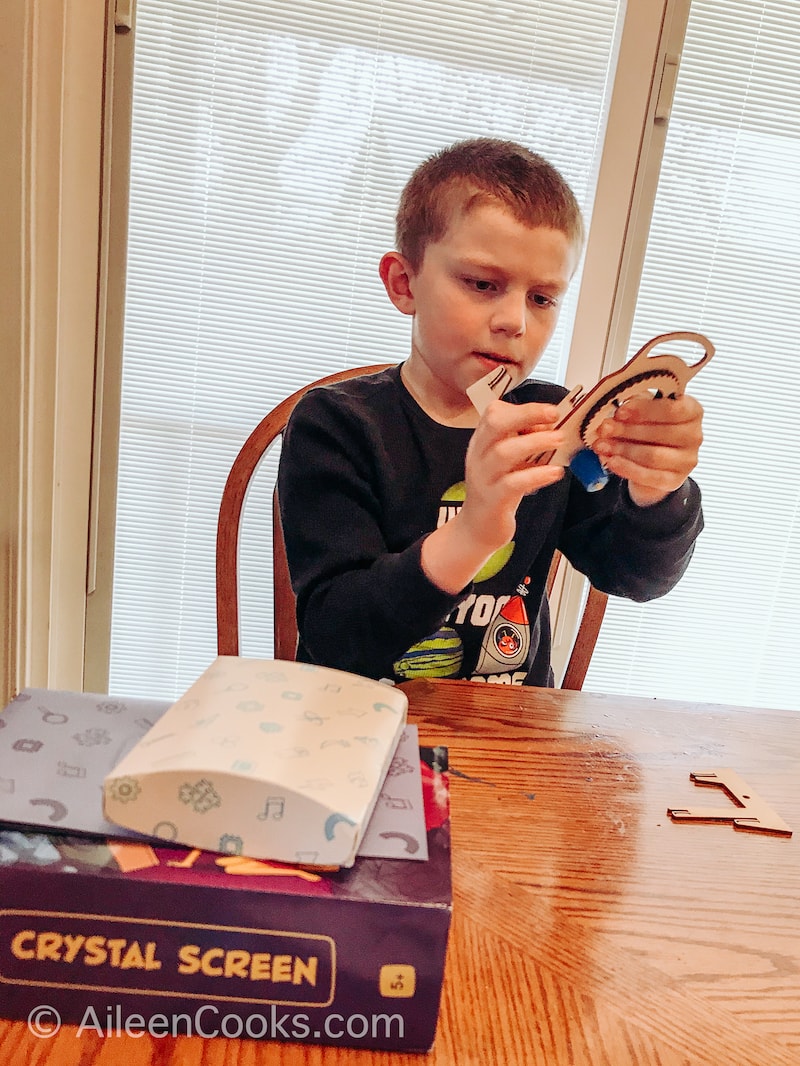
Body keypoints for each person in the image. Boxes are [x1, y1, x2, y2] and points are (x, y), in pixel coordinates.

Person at [277, 138, 704, 686]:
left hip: (510, 735)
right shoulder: (336, 425)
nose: (515, 322)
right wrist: (475, 530)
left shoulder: (553, 419)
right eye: (483, 284)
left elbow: (639, 576)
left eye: (542, 298)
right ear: (404, 283)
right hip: (359, 730)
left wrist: (658, 490)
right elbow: (337, 638)